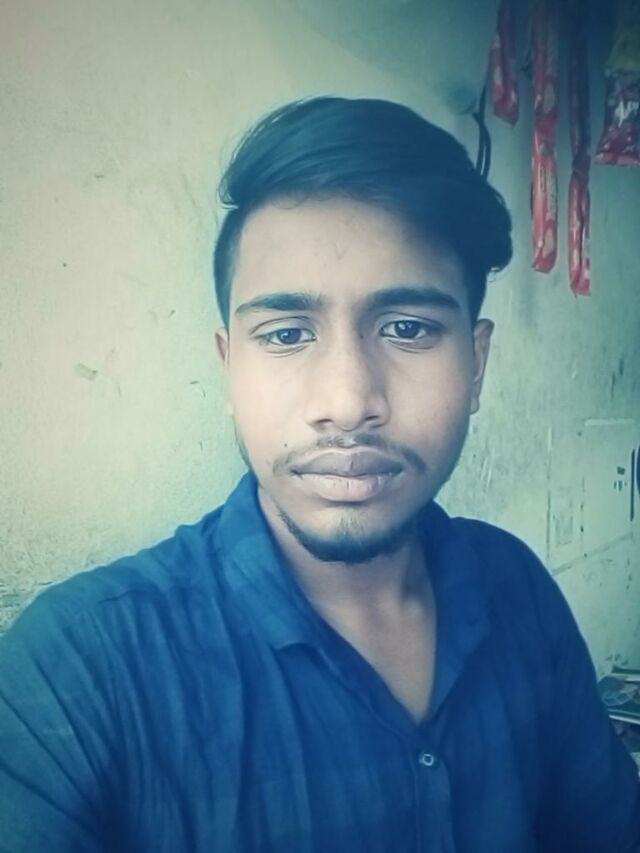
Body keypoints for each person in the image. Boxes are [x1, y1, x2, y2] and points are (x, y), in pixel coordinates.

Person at [0, 97, 638, 853]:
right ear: (229, 368)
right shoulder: (76, 672)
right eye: (286, 334)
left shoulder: (516, 588)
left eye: (407, 328)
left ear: (476, 364)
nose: (347, 401)